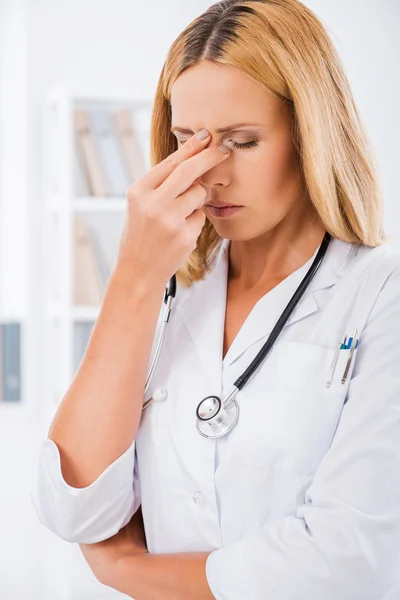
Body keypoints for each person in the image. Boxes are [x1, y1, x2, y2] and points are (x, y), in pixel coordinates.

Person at [31, 1, 400, 598]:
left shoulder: (380, 295)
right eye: (188, 142)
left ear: (311, 136)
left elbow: (348, 563)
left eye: (243, 141)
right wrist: (133, 279)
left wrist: (129, 571)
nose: (210, 172)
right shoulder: (166, 289)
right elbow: (72, 508)